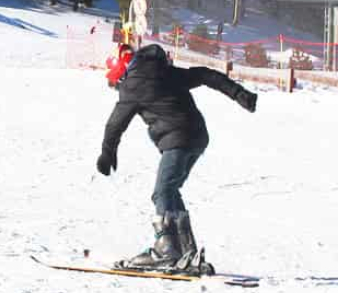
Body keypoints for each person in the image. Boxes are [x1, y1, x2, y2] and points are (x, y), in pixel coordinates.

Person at [97, 43, 256, 273]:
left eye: (116, 82)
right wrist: (239, 94)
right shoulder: (164, 71)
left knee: (161, 192)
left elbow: (115, 124)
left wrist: (107, 153)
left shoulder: (132, 86)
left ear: (123, 73)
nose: (118, 86)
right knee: (170, 191)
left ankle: (166, 250)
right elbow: (204, 75)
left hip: (177, 140)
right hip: (198, 137)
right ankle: (185, 249)